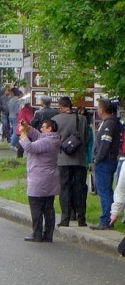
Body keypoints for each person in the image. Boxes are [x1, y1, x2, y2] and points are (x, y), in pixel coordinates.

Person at [18, 119, 61, 242]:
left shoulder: (47, 142)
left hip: (39, 178)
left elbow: (30, 147)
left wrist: (23, 134)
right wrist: (28, 127)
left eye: (43, 127)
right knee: (48, 207)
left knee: (36, 207)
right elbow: (38, 135)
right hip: (50, 179)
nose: (41, 129)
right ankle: (48, 234)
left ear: (50, 129)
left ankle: (37, 234)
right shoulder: (52, 139)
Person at [52, 96, 89, 227]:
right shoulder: (83, 119)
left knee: (64, 188)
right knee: (80, 188)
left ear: (61, 107)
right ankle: (81, 218)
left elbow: (54, 140)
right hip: (79, 159)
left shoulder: (55, 120)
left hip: (63, 159)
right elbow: (85, 138)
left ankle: (65, 218)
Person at [90, 98, 121, 230]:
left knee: (104, 191)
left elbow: (105, 143)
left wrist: (97, 159)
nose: (97, 110)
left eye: (98, 108)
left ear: (102, 110)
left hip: (105, 161)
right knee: (105, 190)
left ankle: (106, 220)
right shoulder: (110, 122)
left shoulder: (109, 124)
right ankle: (108, 218)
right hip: (107, 160)